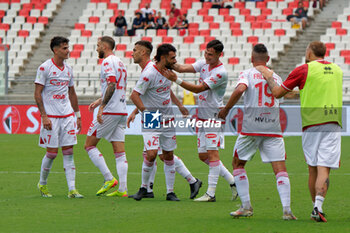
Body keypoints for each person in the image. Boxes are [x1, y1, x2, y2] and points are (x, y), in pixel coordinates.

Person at [256, 41, 343, 222]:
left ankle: (315, 208)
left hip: (312, 123)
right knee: (324, 168)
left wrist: (268, 76)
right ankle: (318, 207)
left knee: (312, 168)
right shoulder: (338, 70)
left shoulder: (304, 69)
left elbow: (278, 92)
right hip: (334, 121)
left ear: (309, 52)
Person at [218, 44, 297, 220]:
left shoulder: (247, 73)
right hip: (273, 129)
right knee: (280, 170)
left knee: (238, 164)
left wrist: (226, 109)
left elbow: (240, 89)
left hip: (251, 128)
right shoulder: (275, 77)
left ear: (252, 59)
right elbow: (279, 100)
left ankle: (246, 207)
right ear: (267, 59)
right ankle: (287, 210)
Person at [163, 40, 237, 202]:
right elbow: (182, 68)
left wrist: (176, 80)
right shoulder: (204, 63)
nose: (207, 56)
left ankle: (210, 193)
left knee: (212, 153)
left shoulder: (220, 73)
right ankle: (233, 181)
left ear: (219, 55)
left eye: (211, 54)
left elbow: (198, 89)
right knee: (203, 156)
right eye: (206, 53)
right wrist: (166, 62)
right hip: (202, 116)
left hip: (213, 117)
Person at [130, 43, 181, 201]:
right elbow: (135, 95)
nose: (175, 60)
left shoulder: (168, 72)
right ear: (164, 57)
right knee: (151, 154)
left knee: (168, 155)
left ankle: (170, 192)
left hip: (168, 118)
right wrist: (145, 113)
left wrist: (180, 106)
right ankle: (143, 188)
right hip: (152, 117)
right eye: (172, 58)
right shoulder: (149, 74)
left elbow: (166, 91)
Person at [35, 36, 83, 198]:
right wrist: (44, 116)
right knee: (52, 153)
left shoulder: (68, 69)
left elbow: (72, 93)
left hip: (67, 116)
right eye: (64, 48)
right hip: (51, 117)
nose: (68, 50)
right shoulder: (44, 68)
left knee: (69, 151)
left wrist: (77, 115)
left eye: (67, 47)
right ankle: (42, 184)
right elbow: (37, 93)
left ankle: (72, 189)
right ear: (55, 50)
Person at [84, 36, 129, 197]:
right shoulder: (120, 62)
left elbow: (111, 84)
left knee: (89, 145)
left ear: (104, 46)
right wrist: (99, 101)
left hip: (110, 111)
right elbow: (117, 86)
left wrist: (102, 106)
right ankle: (123, 190)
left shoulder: (107, 62)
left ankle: (109, 178)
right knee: (119, 151)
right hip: (122, 110)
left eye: (98, 46)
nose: (97, 49)